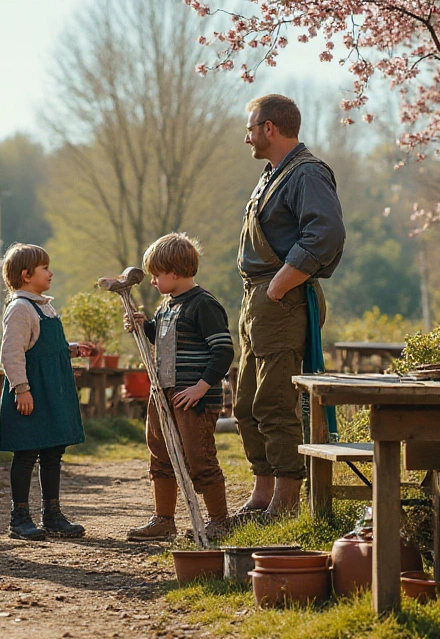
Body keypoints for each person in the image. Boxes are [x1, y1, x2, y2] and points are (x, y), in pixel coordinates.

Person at [232, 94, 346, 523]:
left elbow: (327, 234)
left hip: (279, 301)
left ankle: (285, 501)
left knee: (275, 402)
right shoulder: (272, 175)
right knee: (246, 404)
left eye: (250, 128)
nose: (246, 138)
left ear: (269, 128)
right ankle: (262, 495)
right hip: (257, 301)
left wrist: (280, 285)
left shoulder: (307, 173)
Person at [124, 233, 236, 542]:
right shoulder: (166, 307)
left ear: (174, 272)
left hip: (193, 399)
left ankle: (218, 521)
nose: (153, 281)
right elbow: (165, 344)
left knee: (199, 459)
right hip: (164, 394)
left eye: (157, 275)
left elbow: (223, 351)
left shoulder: (204, 305)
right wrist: (143, 325)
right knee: (160, 456)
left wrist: (201, 388)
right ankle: (164, 519)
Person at [0, 243, 96, 540]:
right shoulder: (20, 309)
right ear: (27, 275)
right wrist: (21, 389)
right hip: (31, 392)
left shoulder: (44, 306)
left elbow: (42, 346)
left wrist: (70, 350)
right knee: (26, 453)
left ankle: (52, 515)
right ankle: (20, 518)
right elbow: (11, 353)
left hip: (52, 392)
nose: (50, 273)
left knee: (53, 452)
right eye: (45, 269)